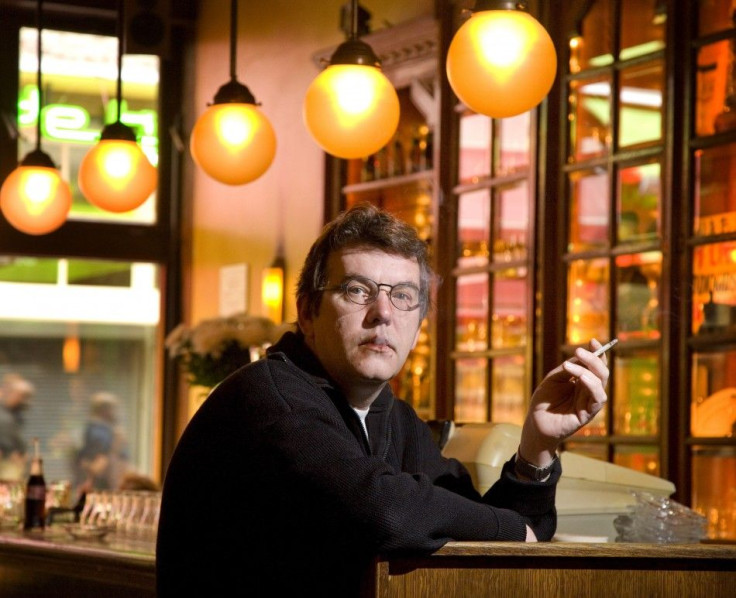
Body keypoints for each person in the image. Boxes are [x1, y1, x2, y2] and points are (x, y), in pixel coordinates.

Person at [156, 204, 610, 597]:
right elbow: (384, 510)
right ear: (307, 312)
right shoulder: (269, 399)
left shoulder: (390, 416)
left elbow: (487, 534)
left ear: (418, 326)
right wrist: (511, 530)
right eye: (357, 290)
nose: (384, 312)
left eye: (404, 295)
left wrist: (536, 447)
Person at [74, 392, 129, 493]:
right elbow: (98, 464)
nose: (116, 413)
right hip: (101, 485)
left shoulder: (103, 429)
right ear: (104, 411)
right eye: (113, 409)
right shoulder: (98, 431)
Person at [0, 373, 35, 481]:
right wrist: (10, 453)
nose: (23, 400)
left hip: (16, 466)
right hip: (7, 466)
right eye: (20, 395)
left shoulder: (15, 414)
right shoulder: (3, 415)